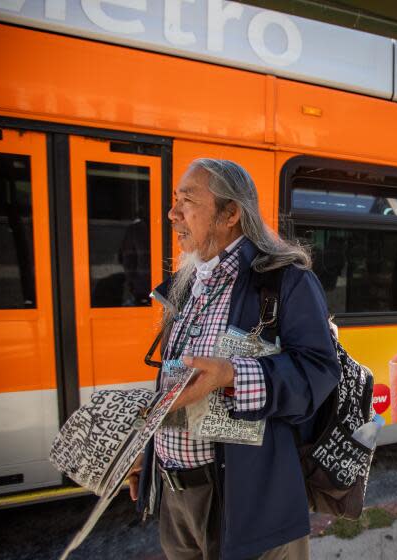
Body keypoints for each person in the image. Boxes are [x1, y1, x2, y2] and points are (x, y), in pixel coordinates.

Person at [129, 158, 340, 560]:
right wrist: (149, 452)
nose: (172, 213)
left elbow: (319, 372)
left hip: (250, 501)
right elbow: (178, 385)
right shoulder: (186, 285)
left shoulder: (284, 280)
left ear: (230, 214)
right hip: (177, 500)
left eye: (187, 201)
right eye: (175, 200)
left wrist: (231, 375)